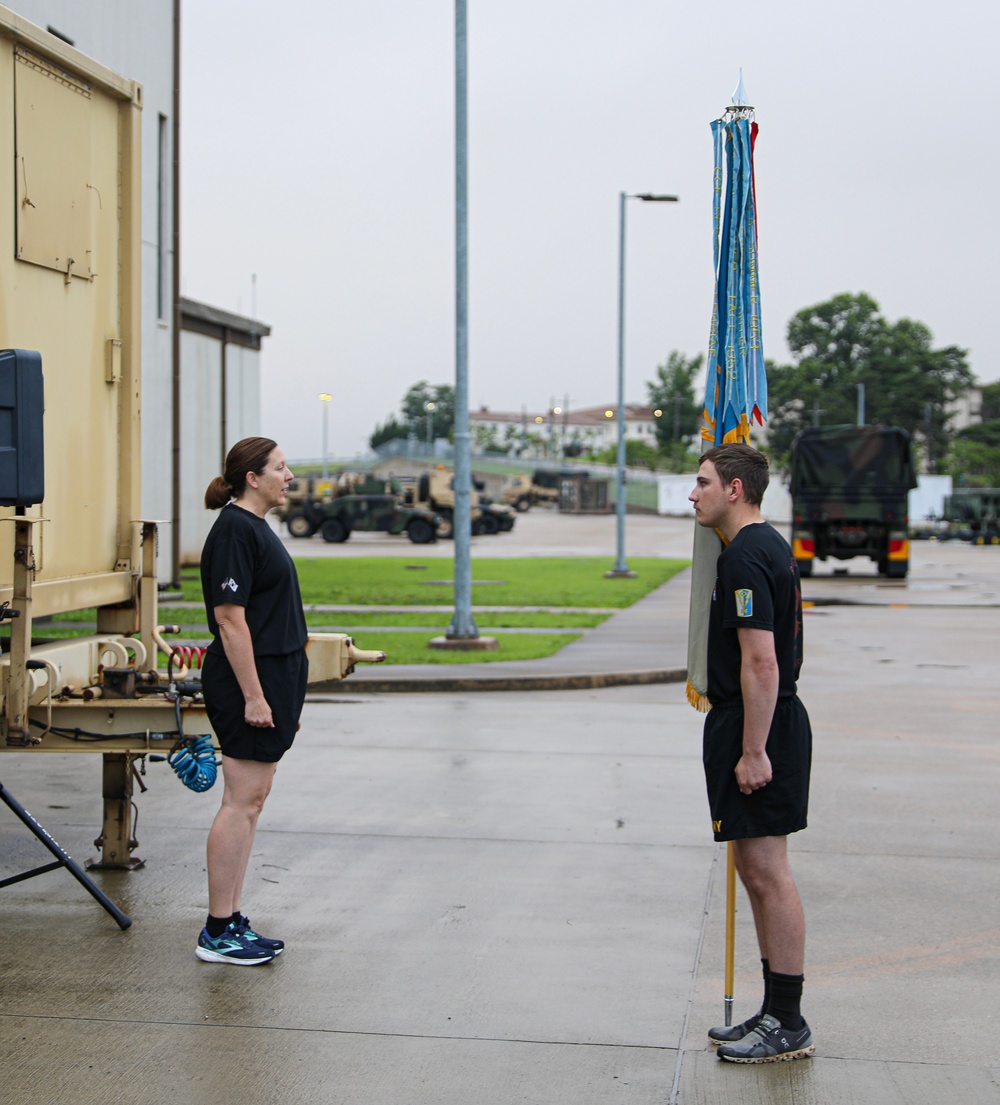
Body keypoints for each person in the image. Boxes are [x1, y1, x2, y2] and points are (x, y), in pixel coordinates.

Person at [688, 443, 815, 1062]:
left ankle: (787, 1022)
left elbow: (761, 662)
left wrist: (753, 750)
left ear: (734, 490)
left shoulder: (744, 557)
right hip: (758, 721)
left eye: (703, 482)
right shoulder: (765, 546)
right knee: (755, 872)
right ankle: (773, 1013)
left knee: (767, 873)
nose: (694, 493)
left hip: (760, 726)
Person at [195, 437, 309, 965]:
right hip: (249, 685)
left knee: (253, 803)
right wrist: (255, 697)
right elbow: (229, 620)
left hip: (271, 681)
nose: (289, 476)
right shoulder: (236, 531)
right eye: (281, 468)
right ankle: (218, 931)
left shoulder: (255, 529)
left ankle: (233, 919)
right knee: (240, 802)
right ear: (252, 477)